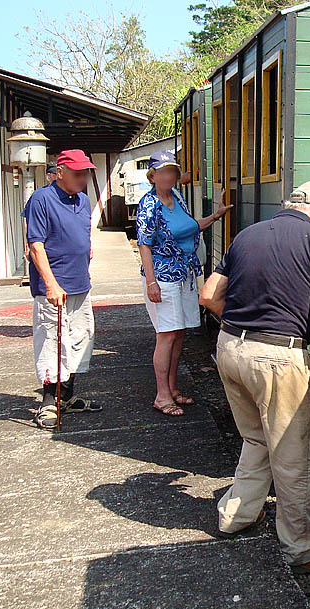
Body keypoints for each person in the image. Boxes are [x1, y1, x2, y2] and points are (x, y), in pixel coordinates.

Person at [200, 180, 310, 574]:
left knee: (256, 437)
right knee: (294, 457)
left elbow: (208, 295)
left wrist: (243, 329)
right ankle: (304, 550)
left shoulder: (246, 235)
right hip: (277, 357)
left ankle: (236, 517)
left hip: (230, 349)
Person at [135, 150, 231, 417]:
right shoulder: (149, 204)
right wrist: (151, 282)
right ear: (152, 175)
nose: (168, 176)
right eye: (163, 171)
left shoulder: (177, 198)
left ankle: (173, 388)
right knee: (166, 335)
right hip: (162, 277)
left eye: (172, 172)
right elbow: (144, 244)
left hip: (185, 274)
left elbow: (190, 228)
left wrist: (215, 216)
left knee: (179, 333)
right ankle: (161, 395)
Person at [26, 151, 101, 429]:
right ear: (60, 172)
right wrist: (50, 283)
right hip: (54, 288)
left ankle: (66, 398)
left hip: (80, 283)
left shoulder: (82, 200)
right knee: (52, 342)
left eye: (85, 173)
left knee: (79, 340)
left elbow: (82, 235)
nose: (83, 178)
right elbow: (35, 245)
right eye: (77, 173)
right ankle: (49, 402)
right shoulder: (41, 199)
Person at [22, 161, 57, 269]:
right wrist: (28, 245)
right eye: (56, 174)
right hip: (43, 246)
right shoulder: (38, 196)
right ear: (49, 176)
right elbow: (28, 221)